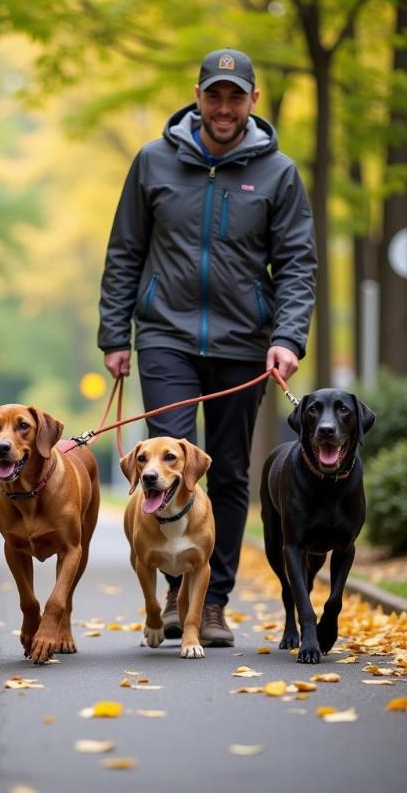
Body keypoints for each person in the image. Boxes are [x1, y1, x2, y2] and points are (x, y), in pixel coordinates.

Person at [98, 48, 316, 647]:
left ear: (252, 101)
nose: (224, 107)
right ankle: (173, 598)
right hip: (164, 334)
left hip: (244, 340)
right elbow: (124, 253)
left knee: (228, 468)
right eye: (214, 95)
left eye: (235, 96)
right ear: (197, 97)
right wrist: (116, 335)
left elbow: (297, 263)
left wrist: (288, 337)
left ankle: (211, 600)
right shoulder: (152, 162)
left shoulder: (279, 174)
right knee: (170, 452)